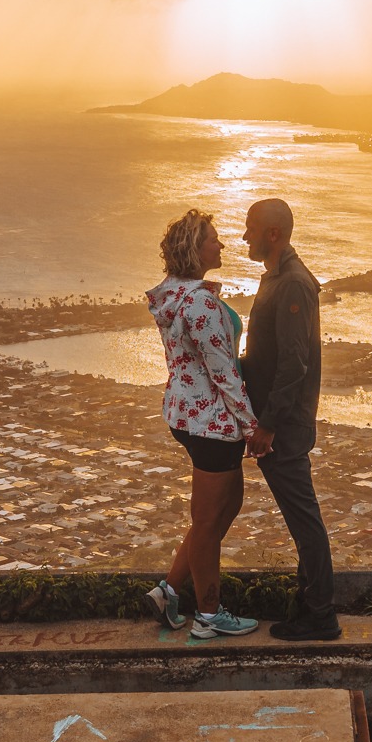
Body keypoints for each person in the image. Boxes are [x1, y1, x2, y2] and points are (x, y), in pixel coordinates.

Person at [145, 208, 260, 640]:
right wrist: (252, 428)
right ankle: (209, 615)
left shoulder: (176, 294)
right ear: (196, 249)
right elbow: (224, 373)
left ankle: (169, 592)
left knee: (223, 509)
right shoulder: (200, 303)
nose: (222, 244)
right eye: (213, 238)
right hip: (212, 421)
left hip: (187, 413)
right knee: (210, 521)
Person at [242, 198, 340, 640]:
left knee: (304, 520)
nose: (245, 235)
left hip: (286, 424)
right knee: (302, 519)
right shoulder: (278, 279)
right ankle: (309, 604)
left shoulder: (294, 285)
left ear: (273, 234)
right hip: (280, 421)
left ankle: (321, 614)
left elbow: (293, 364)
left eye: (251, 228)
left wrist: (268, 424)